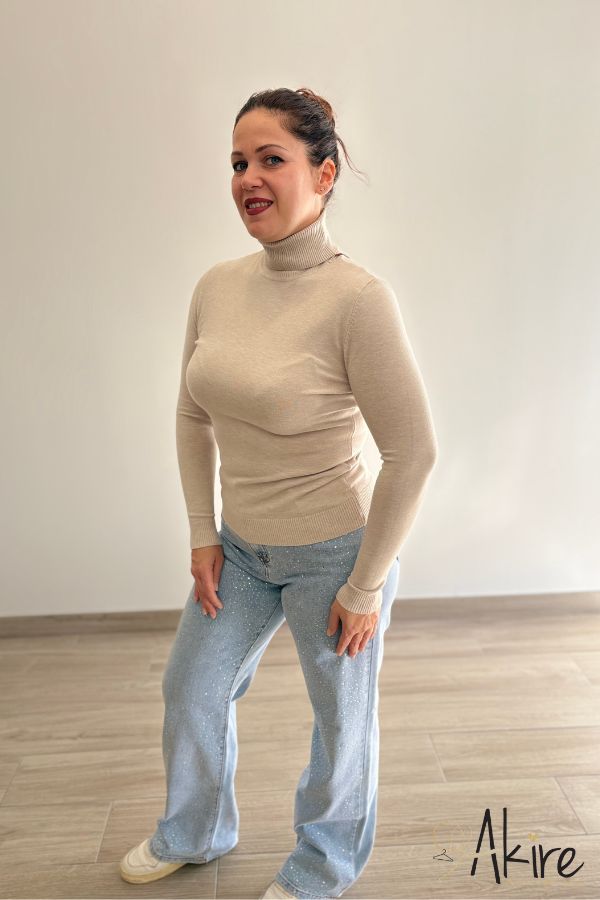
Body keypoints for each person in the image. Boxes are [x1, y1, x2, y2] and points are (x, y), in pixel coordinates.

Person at [119, 87, 438, 899]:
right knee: (192, 687)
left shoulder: (358, 299)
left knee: (341, 722)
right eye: (238, 163)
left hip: (336, 557)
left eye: (271, 159)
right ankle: (196, 831)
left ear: (324, 175)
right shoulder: (217, 285)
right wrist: (203, 533)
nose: (248, 179)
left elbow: (413, 453)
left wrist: (364, 588)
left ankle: (323, 867)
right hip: (240, 550)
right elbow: (191, 414)